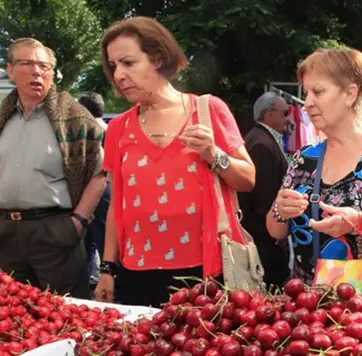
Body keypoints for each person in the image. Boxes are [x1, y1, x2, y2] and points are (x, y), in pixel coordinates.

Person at [95, 17, 255, 307]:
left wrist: (213, 154)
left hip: (206, 272)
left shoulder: (207, 109)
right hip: (136, 273)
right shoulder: (118, 128)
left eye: (128, 63)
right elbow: (117, 206)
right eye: (114, 66)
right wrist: (108, 268)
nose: (118, 75)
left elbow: (248, 178)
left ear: (157, 58)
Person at [266, 47, 362, 283]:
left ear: (350, 94)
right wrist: (281, 209)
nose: (307, 103)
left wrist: (357, 222)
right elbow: (276, 230)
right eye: (307, 92)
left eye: (318, 92)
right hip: (308, 308)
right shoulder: (304, 158)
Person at [0, 38, 106, 299]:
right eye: (26, 63)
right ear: (10, 70)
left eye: (44, 66)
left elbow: (99, 174)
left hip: (55, 230)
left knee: (68, 315)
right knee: (12, 315)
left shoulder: (75, 119)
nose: (37, 71)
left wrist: (78, 221)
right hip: (7, 232)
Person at [239, 92, 291, 288]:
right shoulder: (262, 144)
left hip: (261, 234)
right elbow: (265, 196)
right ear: (269, 114)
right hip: (263, 237)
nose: (289, 118)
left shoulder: (259, 138)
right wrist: (277, 233)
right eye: (285, 113)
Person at [77, 91, 112, 289]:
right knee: (99, 238)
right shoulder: (108, 129)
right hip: (109, 191)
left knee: (96, 238)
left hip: (99, 190)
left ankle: (98, 278)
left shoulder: (88, 132)